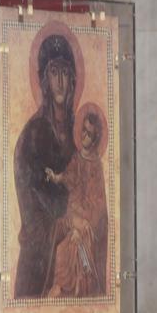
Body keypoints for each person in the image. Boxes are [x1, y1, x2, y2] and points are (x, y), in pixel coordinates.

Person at [13, 34, 77, 298]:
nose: (60, 81)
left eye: (65, 72)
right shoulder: (35, 133)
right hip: (39, 260)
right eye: (53, 72)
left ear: (73, 78)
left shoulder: (80, 130)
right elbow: (40, 203)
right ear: (44, 81)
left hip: (71, 253)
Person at [44, 109, 109, 298]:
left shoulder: (96, 165)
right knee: (56, 239)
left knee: (66, 249)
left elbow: (99, 202)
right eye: (83, 131)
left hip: (87, 222)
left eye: (89, 134)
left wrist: (82, 225)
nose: (84, 136)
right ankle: (58, 285)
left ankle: (62, 286)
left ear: (95, 139)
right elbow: (68, 176)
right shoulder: (77, 157)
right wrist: (55, 177)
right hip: (72, 215)